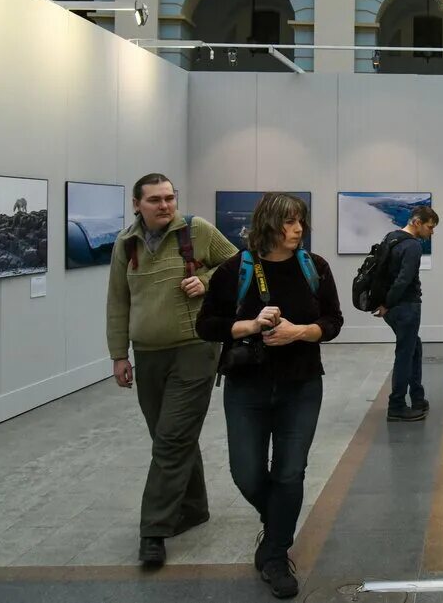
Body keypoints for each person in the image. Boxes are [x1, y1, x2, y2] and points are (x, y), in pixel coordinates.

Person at [196, 193, 343, 599]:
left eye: (301, 222)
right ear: (269, 225)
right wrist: (250, 326)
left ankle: (276, 555)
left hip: (302, 385)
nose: (298, 230)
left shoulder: (315, 268)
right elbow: (206, 325)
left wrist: (300, 332)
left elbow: (333, 321)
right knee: (246, 472)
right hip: (247, 387)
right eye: (290, 222)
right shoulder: (233, 271)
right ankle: (277, 521)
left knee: (290, 472)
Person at [106, 173, 238, 568]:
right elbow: (117, 302)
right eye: (155, 200)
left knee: (171, 438)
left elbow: (240, 266)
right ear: (136, 205)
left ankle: (154, 531)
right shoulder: (125, 244)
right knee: (170, 435)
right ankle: (194, 507)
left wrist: (206, 279)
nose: (165, 206)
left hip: (194, 350)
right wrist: (118, 355)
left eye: (169, 198)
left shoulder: (196, 231)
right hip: (147, 355)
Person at [375, 205, 439, 422]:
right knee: (405, 354)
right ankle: (397, 405)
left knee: (414, 349)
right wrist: (388, 303)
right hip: (405, 307)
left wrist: (385, 304)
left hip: (393, 309)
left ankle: (418, 397)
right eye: (430, 227)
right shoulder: (412, 246)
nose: (431, 232)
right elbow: (404, 280)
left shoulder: (391, 238)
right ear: (417, 222)